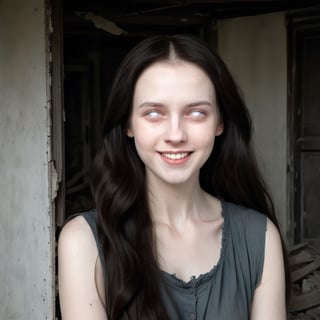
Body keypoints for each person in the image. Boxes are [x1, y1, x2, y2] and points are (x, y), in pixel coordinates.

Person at [58, 34, 288, 320]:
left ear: (220, 122)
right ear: (128, 123)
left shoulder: (260, 237)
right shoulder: (82, 242)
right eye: (154, 113)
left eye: (196, 113)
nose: (176, 135)